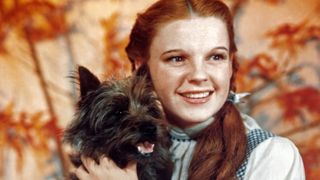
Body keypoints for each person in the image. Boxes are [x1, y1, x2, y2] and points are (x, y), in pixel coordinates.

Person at [73, 0, 305, 179]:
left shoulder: (269, 156)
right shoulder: (116, 151)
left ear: (230, 64)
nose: (199, 75)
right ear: (141, 66)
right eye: (177, 58)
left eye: (216, 56)